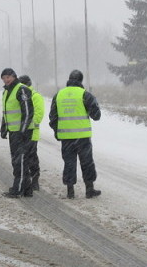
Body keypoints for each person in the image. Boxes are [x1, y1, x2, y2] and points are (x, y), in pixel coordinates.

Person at [49, 70, 102, 199]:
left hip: (66, 138)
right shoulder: (85, 95)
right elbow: (96, 116)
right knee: (87, 162)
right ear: (81, 81)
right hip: (82, 137)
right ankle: (89, 189)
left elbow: (52, 117)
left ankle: (70, 191)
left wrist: (57, 132)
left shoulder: (58, 95)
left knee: (69, 163)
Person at [0, 68, 35, 198]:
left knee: (19, 160)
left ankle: (18, 188)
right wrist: (4, 128)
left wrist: (23, 130)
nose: (6, 80)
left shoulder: (21, 89)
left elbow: (27, 112)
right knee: (19, 160)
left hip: (22, 132)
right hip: (14, 132)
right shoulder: (6, 92)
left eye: (8, 77)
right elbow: (6, 113)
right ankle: (27, 188)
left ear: (14, 76)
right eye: (4, 78)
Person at [18, 75, 43, 191]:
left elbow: (38, 114)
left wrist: (28, 125)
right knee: (23, 157)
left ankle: (35, 180)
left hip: (32, 132)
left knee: (32, 157)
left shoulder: (35, 96)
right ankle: (25, 180)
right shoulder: (20, 96)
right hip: (21, 132)